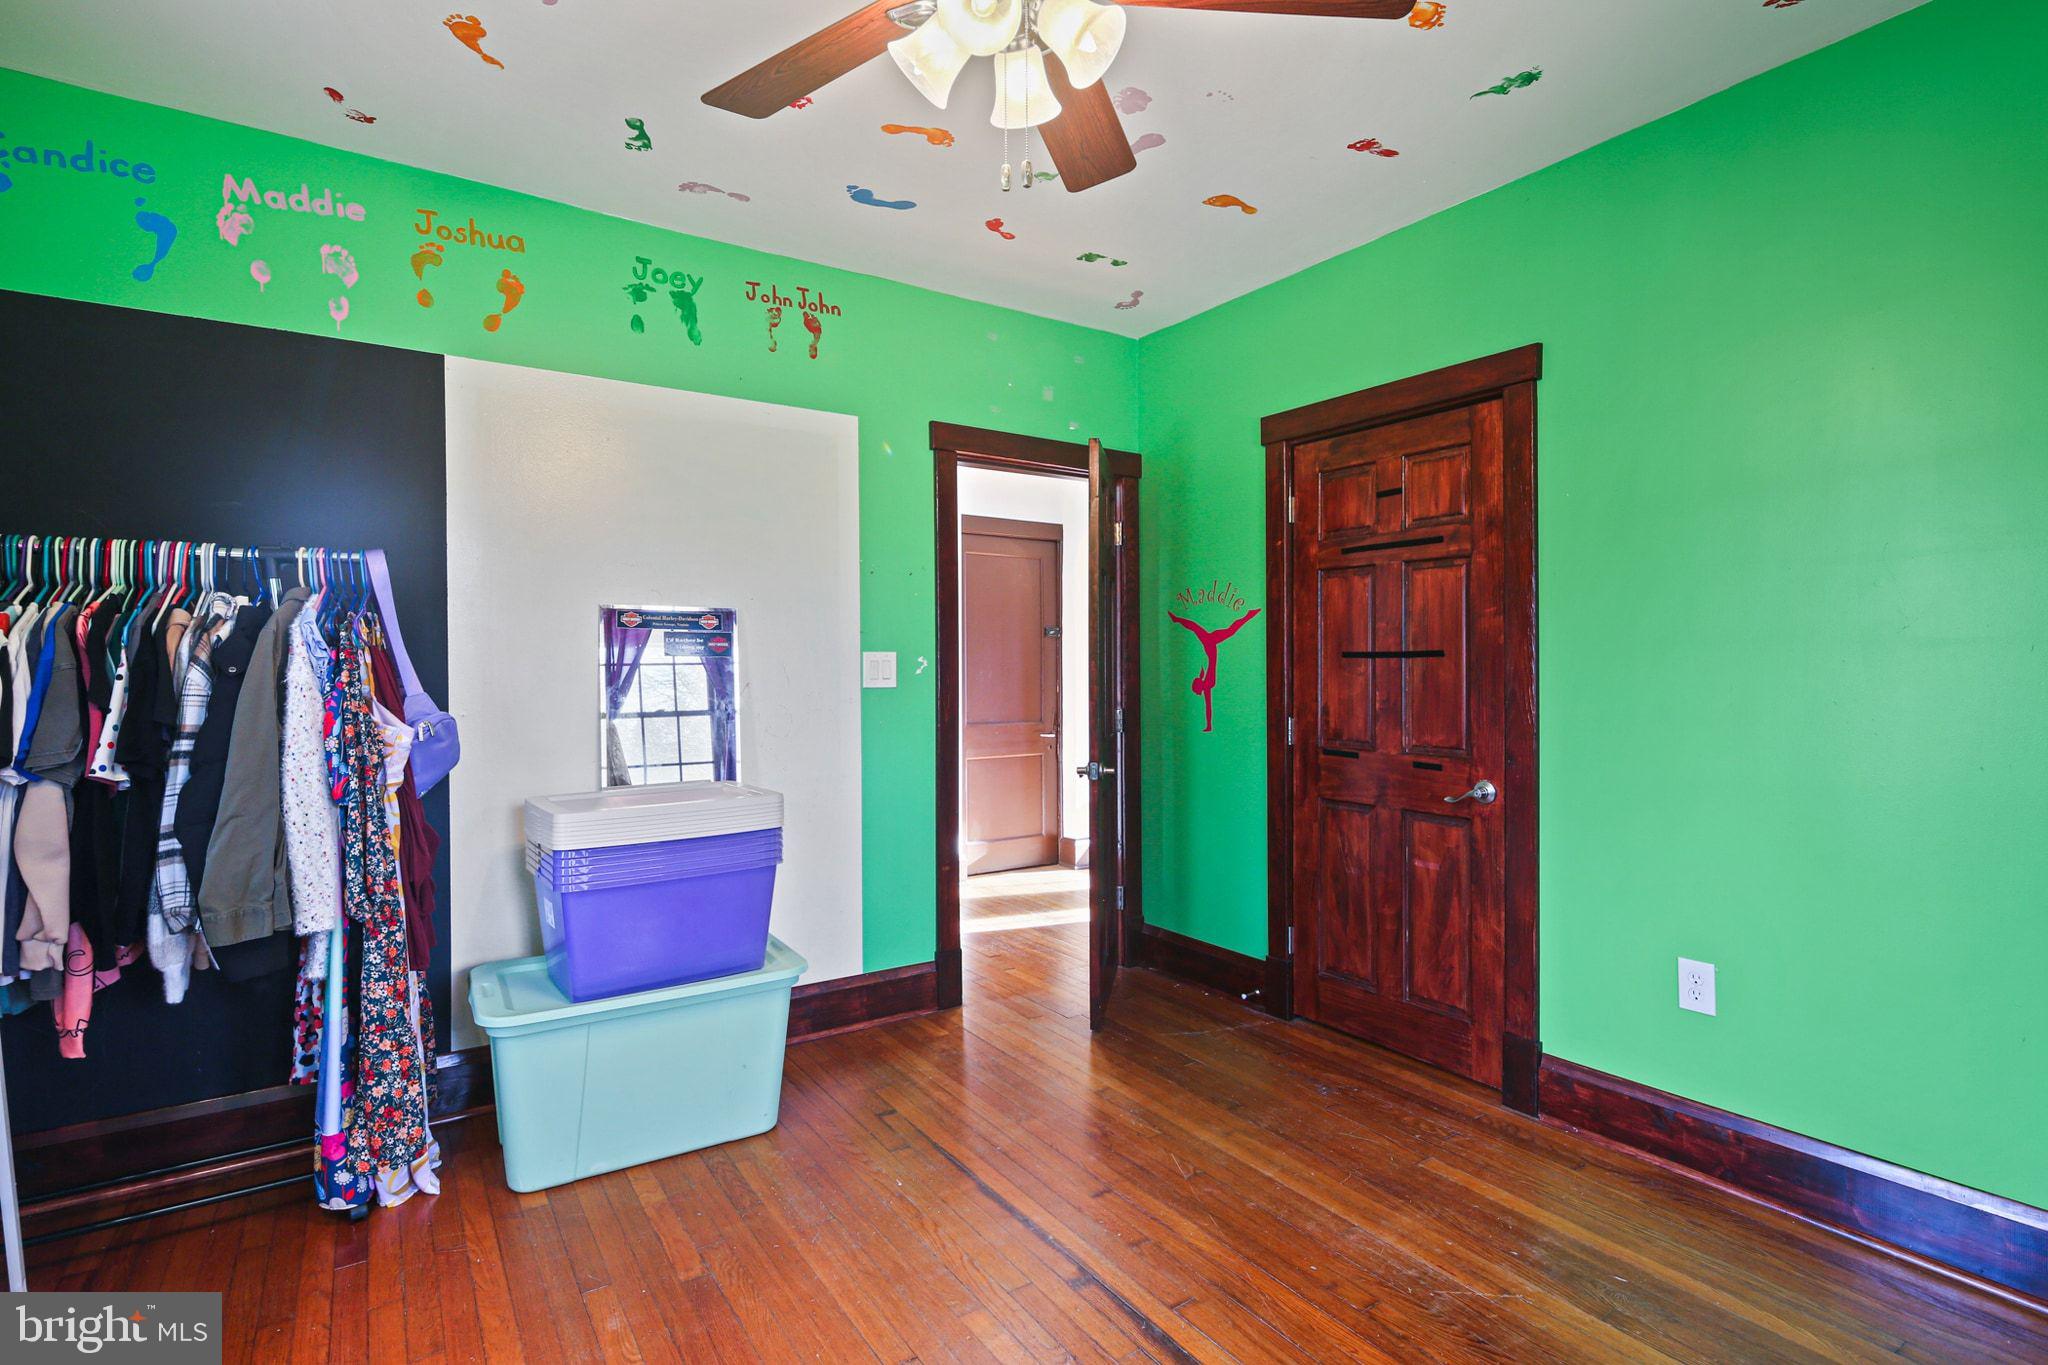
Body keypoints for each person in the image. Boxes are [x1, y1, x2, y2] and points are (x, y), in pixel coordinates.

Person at [1166, 608, 1259, 732]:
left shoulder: (1204, 680)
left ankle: (1177, 619)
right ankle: (1248, 616)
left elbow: (1203, 678)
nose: (1199, 690)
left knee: (1202, 628)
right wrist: (1209, 725)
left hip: (1210, 644)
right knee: (1224, 630)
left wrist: (1209, 725)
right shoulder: (1207, 685)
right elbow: (1208, 707)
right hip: (1210, 644)